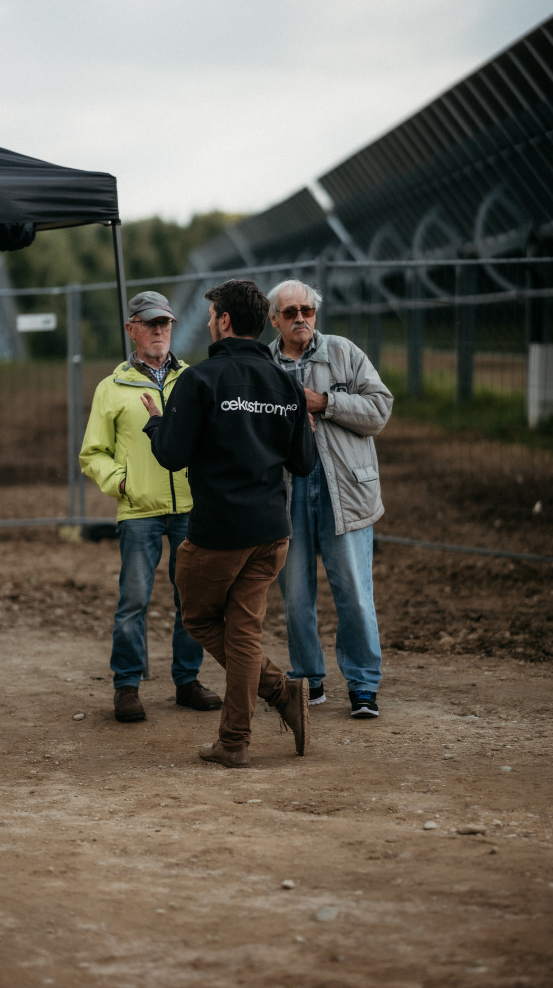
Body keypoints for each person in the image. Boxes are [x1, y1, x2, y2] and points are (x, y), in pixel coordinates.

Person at [141, 278, 315, 768]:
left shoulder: (199, 380)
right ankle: (234, 742)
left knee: (197, 617)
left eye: (213, 313)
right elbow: (304, 463)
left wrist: (157, 422)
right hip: (270, 533)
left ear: (222, 321)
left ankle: (280, 693)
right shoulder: (286, 383)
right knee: (243, 634)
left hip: (218, 532)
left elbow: (172, 455)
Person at [79, 291, 222, 723]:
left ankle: (187, 682)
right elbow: (92, 454)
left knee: (190, 600)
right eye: (150, 323)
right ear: (132, 328)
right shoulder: (112, 388)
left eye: (165, 323)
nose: (160, 330)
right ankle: (126, 687)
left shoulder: (195, 380)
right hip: (139, 509)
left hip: (189, 507)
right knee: (134, 599)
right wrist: (123, 482)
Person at [267, 278, 393, 718]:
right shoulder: (264, 365)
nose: (300, 318)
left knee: (355, 593)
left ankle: (363, 685)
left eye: (307, 310)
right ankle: (308, 680)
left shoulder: (343, 352)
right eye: (290, 313)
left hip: (346, 490)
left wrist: (324, 402)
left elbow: (380, 409)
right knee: (296, 594)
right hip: (289, 492)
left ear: (315, 314)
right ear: (274, 319)